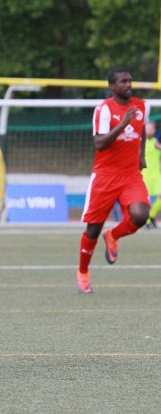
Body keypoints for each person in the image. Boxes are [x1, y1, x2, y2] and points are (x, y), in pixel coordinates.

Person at [76, 66, 151, 294]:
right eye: (123, 82)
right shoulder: (104, 110)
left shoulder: (142, 106)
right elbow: (99, 143)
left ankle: (114, 235)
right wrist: (122, 124)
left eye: (130, 81)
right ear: (112, 86)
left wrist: (141, 156)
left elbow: (140, 137)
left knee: (140, 215)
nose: (128, 85)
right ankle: (83, 272)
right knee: (93, 229)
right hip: (106, 177)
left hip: (130, 175)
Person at [142, 121, 161, 228]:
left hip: (157, 175)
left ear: (154, 131)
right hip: (144, 175)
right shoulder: (141, 143)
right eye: (147, 128)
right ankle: (148, 222)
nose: (149, 130)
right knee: (146, 200)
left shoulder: (157, 143)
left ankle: (151, 215)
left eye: (151, 129)